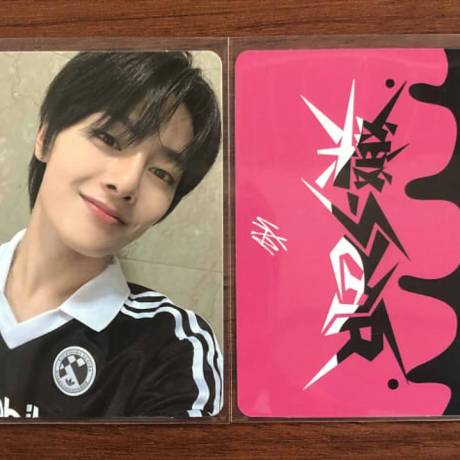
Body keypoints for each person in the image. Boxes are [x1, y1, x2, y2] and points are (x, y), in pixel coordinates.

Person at [0, 51, 223, 419]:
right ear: (46, 136)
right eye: (109, 138)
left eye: (162, 174)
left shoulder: (172, 349)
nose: (127, 183)